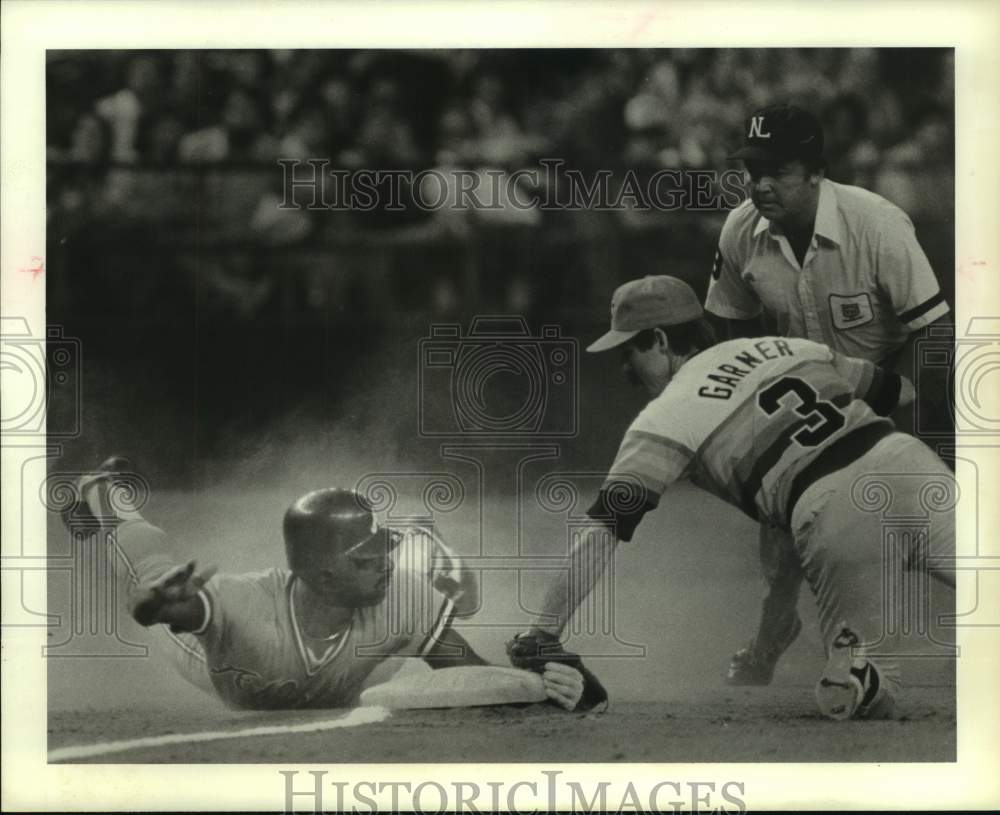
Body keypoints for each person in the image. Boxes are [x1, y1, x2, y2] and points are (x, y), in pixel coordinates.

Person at [507, 276, 955, 720]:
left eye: (629, 351)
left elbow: (603, 529)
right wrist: (764, 644)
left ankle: (861, 674)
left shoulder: (666, 416)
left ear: (660, 340)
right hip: (909, 463)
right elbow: (901, 392)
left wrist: (543, 630)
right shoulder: (788, 347)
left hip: (835, 510)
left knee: (862, 696)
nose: (625, 369)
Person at [704, 104, 953, 685]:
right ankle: (772, 639)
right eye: (751, 168)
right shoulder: (742, 231)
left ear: (816, 170)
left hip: (897, 383)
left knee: (938, 526)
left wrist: (928, 428)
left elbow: (934, 334)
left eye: (778, 170)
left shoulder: (876, 224)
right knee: (789, 534)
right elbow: (729, 332)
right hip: (810, 397)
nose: (760, 183)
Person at [62, 457, 589, 711]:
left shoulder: (402, 596)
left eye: (385, 548)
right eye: (365, 559)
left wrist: (543, 689)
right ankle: (106, 496)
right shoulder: (238, 606)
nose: (385, 563)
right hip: (207, 657)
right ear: (317, 573)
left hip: (336, 651)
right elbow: (152, 613)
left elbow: (473, 676)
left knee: (421, 622)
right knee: (149, 570)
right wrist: (154, 605)